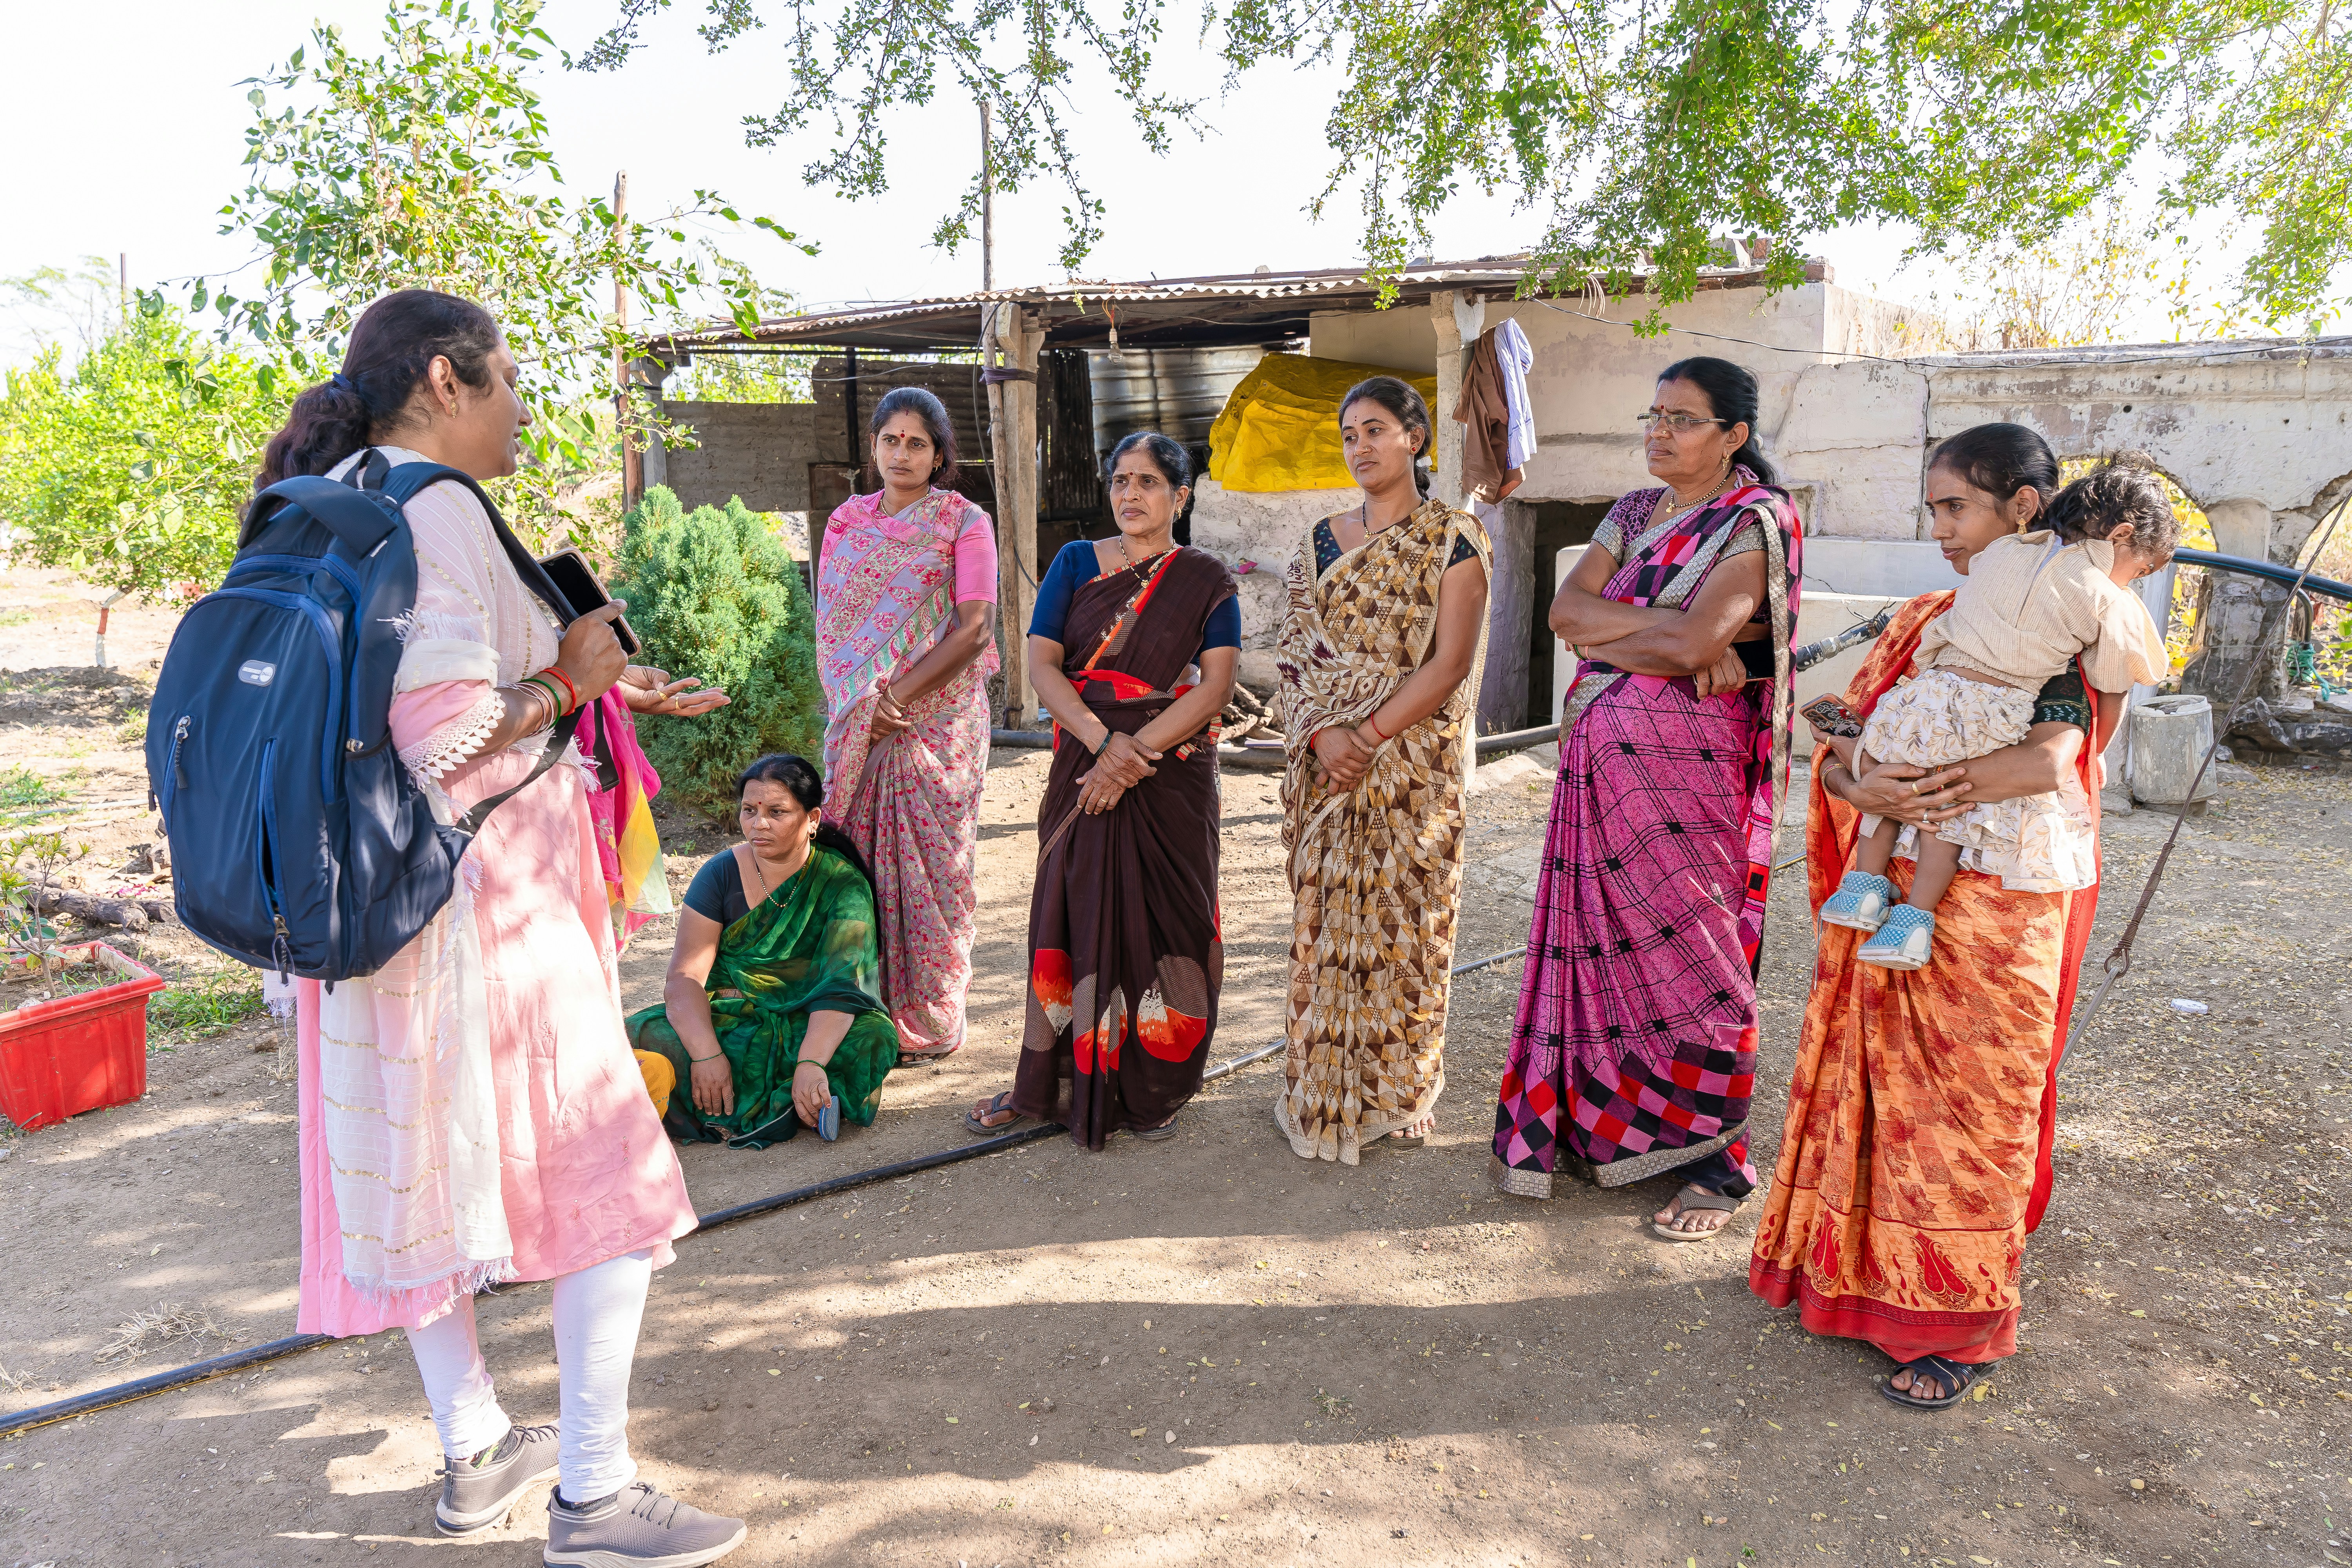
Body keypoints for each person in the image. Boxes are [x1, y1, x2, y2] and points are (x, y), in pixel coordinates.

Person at [268, 289, 741, 1564]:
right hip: (479, 925)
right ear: (444, 378)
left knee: (423, 1187)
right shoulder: (429, 511)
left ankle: (475, 1449)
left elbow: (401, 697)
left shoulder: (327, 502)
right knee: (616, 1185)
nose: (525, 407)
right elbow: (452, 742)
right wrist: (564, 684)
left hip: (363, 917)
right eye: (510, 379)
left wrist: (611, 685)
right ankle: (592, 1495)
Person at [1748, 422, 2113, 1410]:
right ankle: (1848, 1276)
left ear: (2022, 507)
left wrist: (1915, 792)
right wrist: (1861, 776)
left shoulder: (2066, 618)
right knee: (1885, 1094)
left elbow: (2052, 760)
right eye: (1936, 509)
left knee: (1970, 1110)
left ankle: (1953, 1318)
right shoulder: (1929, 622)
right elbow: (1842, 749)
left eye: (1956, 507)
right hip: (1903, 881)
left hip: (2001, 907)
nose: (1942, 529)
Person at [1488, 356, 1803, 1241]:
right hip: (1598, 772)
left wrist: (1645, 631)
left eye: (1684, 419)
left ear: (1734, 436)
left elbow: (1694, 638)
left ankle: (1714, 1156)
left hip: (1688, 773)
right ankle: (1605, 1128)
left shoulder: (1755, 518)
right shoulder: (1632, 511)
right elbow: (1564, 613)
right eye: (1654, 414)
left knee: (1693, 952)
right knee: (1600, 948)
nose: (1659, 431)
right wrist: (1665, 632)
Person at [965, 433, 1239, 1147]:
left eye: (1148, 482)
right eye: (1120, 481)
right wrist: (1102, 744)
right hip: (1083, 764)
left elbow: (1216, 686)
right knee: (1070, 908)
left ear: (1180, 496)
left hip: (1170, 775)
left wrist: (1135, 753)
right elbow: (1042, 664)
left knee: (1171, 920)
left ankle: (1158, 1085)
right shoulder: (1075, 563)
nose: (1130, 495)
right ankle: (1050, 1081)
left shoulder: (1206, 578)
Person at [1819, 464, 2174, 968]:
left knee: (1896, 783)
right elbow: (2109, 694)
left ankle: (1862, 891)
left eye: (1956, 508)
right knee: (1947, 817)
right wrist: (2095, 758)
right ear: (2121, 536)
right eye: (2140, 570)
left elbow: (1949, 632)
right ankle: (1913, 919)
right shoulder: (2103, 598)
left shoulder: (2000, 559)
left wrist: (1854, 759)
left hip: (1926, 700)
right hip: (1990, 716)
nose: (1941, 529)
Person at [1273, 376, 1490, 1165]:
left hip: (1412, 767)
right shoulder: (1320, 540)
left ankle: (1401, 1086)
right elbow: (1295, 652)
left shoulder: (1452, 538)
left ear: (1414, 439)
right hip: (1330, 766)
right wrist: (1327, 736)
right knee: (1326, 927)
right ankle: (1321, 1083)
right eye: (1349, 435)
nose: (1360, 446)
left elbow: (1449, 664)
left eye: (1375, 429)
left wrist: (1364, 731)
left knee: (1407, 927)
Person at [815, 386, 999, 1063]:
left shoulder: (964, 522)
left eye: (916, 442)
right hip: (864, 719)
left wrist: (896, 697)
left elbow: (975, 628)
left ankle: (930, 1014)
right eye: (890, 439)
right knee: (857, 863)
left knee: (938, 870)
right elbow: (832, 631)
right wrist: (864, 704)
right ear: (873, 447)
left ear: (939, 453)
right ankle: (862, 1009)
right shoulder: (846, 523)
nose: (901, 453)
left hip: (936, 725)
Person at [625, 754, 901, 1148]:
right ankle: (796, 1102)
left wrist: (811, 1061)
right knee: (644, 1035)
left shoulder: (842, 883)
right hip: (729, 1019)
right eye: (750, 810)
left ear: (812, 819)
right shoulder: (719, 874)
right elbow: (685, 979)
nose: (760, 824)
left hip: (807, 1022)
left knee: (873, 1036)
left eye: (777, 812)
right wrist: (706, 1056)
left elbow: (842, 988)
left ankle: (795, 1090)